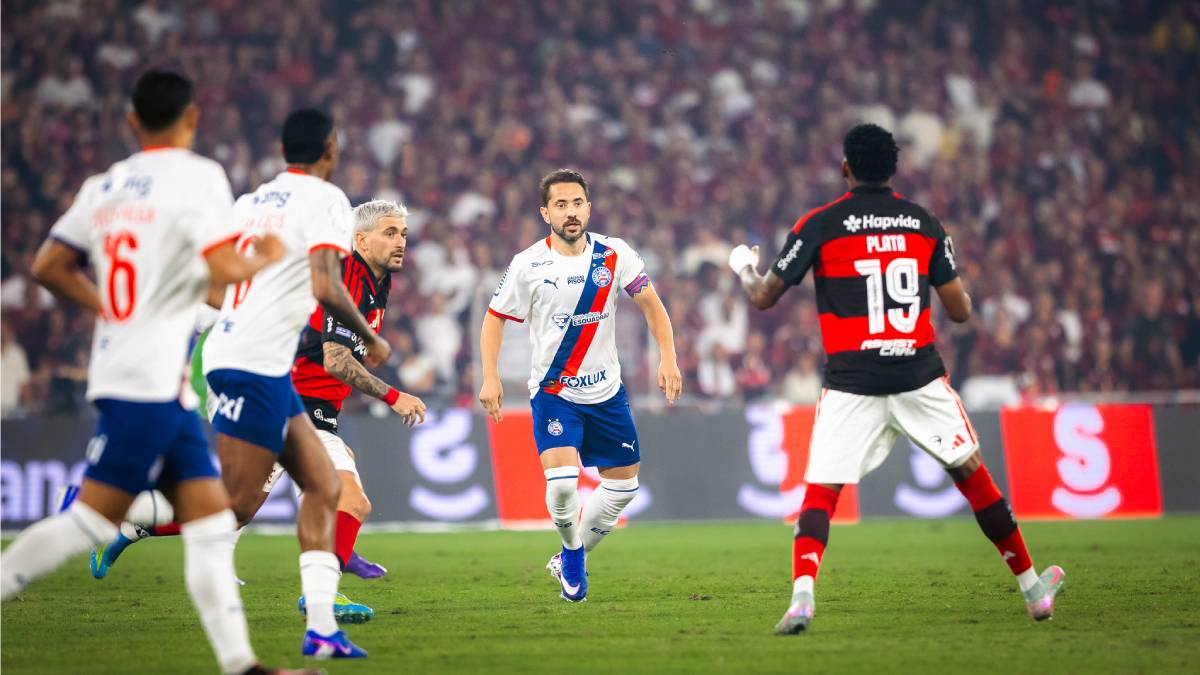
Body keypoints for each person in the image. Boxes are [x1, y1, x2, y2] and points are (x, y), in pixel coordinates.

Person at [0, 68, 306, 675]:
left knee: (214, 522)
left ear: (131, 121)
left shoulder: (104, 186)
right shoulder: (199, 177)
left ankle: (241, 664)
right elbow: (222, 265)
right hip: (146, 384)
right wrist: (267, 255)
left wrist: (113, 309)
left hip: (145, 375)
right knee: (90, 519)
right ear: (192, 117)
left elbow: (50, 266)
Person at [727, 123, 1065, 634]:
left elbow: (763, 297)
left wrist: (743, 268)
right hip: (918, 376)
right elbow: (959, 312)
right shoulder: (924, 223)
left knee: (821, 492)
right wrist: (963, 294)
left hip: (851, 381)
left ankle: (801, 598)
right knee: (974, 478)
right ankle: (1034, 591)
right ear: (895, 169)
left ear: (846, 168)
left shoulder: (819, 223)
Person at [479, 168, 682, 602]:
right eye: (560, 205)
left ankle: (569, 554)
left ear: (588, 208)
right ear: (545, 212)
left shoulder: (615, 254)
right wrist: (490, 376)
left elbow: (651, 305)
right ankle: (573, 555)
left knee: (624, 487)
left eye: (576, 204)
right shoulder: (528, 264)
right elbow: (494, 318)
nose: (570, 213)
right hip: (555, 392)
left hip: (607, 392)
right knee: (564, 484)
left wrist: (668, 356)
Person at [285, 199, 427, 602]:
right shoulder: (349, 272)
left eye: (402, 232)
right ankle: (325, 587)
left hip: (310, 411)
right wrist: (393, 396)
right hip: (289, 407)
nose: (401, 241)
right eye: (390, 232)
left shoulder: (377, 280)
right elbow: (334, 358)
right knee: (231, 514)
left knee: (236, 512)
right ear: (361, 240)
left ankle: (331, 573)